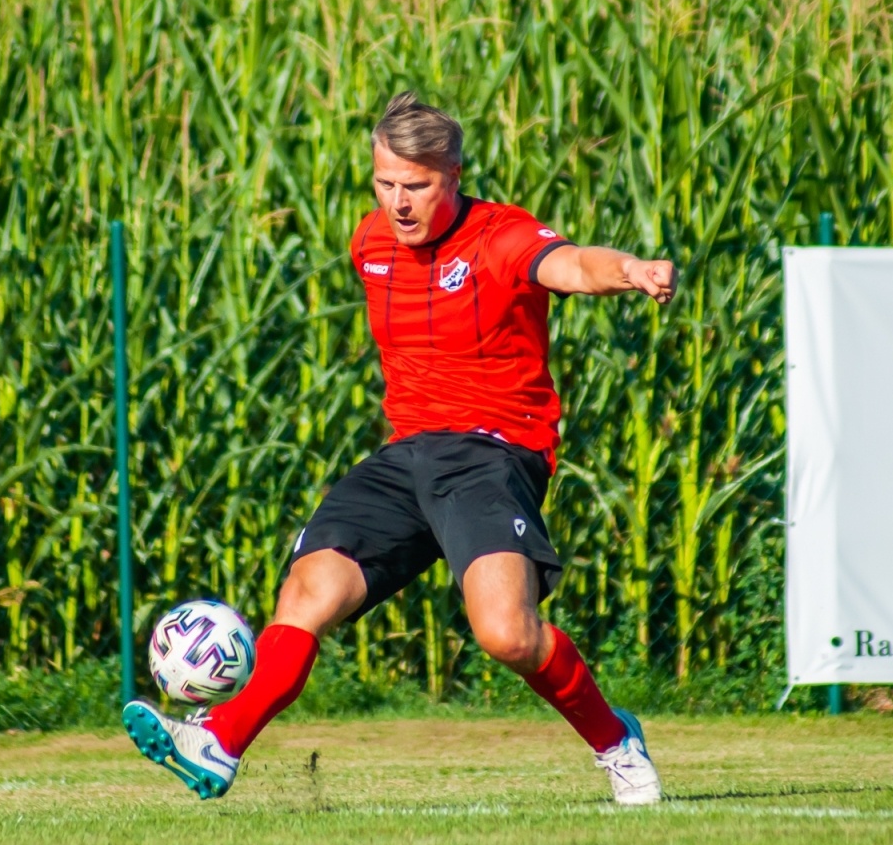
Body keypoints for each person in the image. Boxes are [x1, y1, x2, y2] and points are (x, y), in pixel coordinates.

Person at [123, 92, 677, 805]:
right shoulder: (369, 242)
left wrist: (627, 268)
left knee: (507, 635)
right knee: (308, 592)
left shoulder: (497, 235)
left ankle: (615, 741)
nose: (398, 202)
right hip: (404, 456)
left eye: (415, 185)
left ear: (453, 174)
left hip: (491, 453)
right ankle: (220, 742)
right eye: (384, 183)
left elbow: (567, 264)